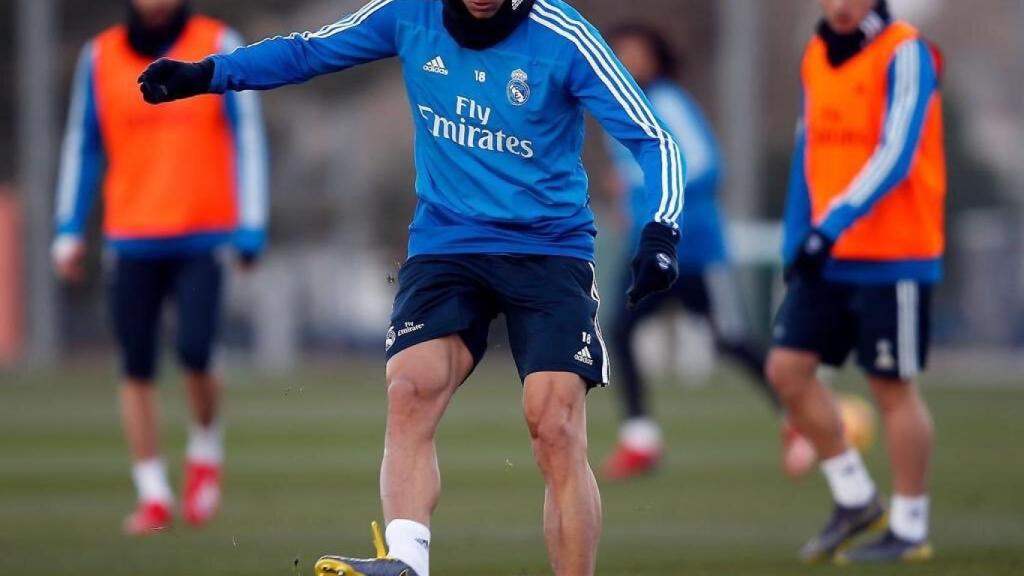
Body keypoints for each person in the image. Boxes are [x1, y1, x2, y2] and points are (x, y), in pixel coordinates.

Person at [138, 0, 685, 574]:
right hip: (447, 246)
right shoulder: (409, 13)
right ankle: (407, 561)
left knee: (555, 425)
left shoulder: (563, 36)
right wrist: (208, 74)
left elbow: (654, 138)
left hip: (548, 250)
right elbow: (307, 52)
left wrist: (661, 231)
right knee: (410, 390)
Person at [52, 0, 268, 535]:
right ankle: (152, 492)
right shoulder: (99, 56)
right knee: (136, 364)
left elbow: (247, 134)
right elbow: (83, 144)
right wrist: (69, 228)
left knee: (196, 351)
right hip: (131, 236)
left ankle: (204, 451)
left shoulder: (216, 41)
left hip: (203, 233)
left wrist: (251, 224)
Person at [766, 0, 944, 564]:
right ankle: (856, 499)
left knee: (891, 387)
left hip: (894, 253)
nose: (840, 5)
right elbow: (808, 148)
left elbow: (897, 152)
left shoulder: (906, 51)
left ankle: (909, 527)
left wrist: (832, 224)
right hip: (828, 252)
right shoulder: (816, 53)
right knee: (787, 370)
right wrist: (796, 237)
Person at [599, 24, 816, 482]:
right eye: (621, 53)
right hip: (646, 249)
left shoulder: (668, 102)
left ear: (658, 59)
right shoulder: (616, 106)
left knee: (730, 340)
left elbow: (704, 166)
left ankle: (799, 419)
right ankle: (640, 440)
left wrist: (645, 193)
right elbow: (637, 172)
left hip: (694, 247)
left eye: (637, 52)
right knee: (620, 329)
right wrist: (628, 200)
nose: (629, 61)